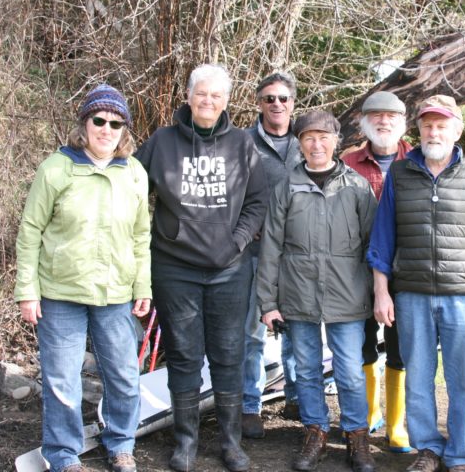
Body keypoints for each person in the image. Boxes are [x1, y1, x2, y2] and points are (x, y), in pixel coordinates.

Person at [135, 64, 268, 472]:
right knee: (184, 355)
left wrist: (237, 241)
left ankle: (230, 443)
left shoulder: (243, 146)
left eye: (216, 95)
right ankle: (186, 442)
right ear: (188, 97)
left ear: (227, 101)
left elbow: (258, 202)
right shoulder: (161, 143)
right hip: (175, 268)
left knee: (229, 354)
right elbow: (132, 193)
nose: (208, 101)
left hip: (230, 269)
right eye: (201, 94)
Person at [368, 95, 465, 472]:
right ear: (418, 130)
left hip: (463, 297)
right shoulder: (399, 174)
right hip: (411, 295)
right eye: (428, 125)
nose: (434, 131)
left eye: (442, 125)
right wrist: (382, 291)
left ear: (457, 131)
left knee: (463, 380)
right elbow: (382, 240)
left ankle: (461, 455)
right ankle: (428, 449)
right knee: (417, 378)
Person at [14, 84, 151, 472]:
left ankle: (121, 444)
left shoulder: (135, 173)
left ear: (124, 129)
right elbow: (30, 232)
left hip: (115, 295)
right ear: (84, 124)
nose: (106, 129)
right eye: (99, 120)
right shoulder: (56, 168)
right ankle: (63, 454)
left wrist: (143, 285)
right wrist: (28, 290)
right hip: (61, 294)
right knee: (62, 382)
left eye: (115, 122)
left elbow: (142, 235)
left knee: (124, 376)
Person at [257, 111, 378, 472]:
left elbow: (374, 245)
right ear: (299, 143)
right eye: (308, 137)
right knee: (307, 369)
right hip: (298, 295)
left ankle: (357, 435)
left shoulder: (356, 187)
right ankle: (315, 431)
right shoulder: (286, 188)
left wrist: (376, 294)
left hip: (348, 296)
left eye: (323, 137)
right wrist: (268, 301)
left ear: (336, 141)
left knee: (350, 371)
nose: (316, 144)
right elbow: (270, 248)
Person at [342, 91, 412, 453]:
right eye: (377, 116)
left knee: (400, 349)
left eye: (391, 116)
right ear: (363, 122)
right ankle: (370, 413)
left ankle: (397, 425)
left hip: (407, 271)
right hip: (355, 271)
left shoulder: (415, 161)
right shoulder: (347, 163)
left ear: (403, 122)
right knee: (361, 344)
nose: (384, 122)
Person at [241, 72, 302, 439]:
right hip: (252, 252)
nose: (276, 104)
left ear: (293, 102)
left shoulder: (306, 142)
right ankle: (250, 404)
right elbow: (231, 194)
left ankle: (297, 395)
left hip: (296, 253)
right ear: (258, 103)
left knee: (297, 328)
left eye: (282, 98)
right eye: (268, 99)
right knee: (251, 332)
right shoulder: (242, 143)